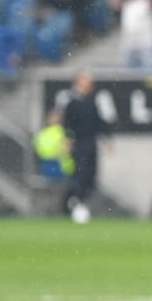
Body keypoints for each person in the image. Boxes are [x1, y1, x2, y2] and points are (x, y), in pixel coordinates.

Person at [63, 71, 113, 222]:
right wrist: (67, 140)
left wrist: (107, 140)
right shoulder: (72, 103)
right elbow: (68, 124)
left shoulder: (92, 102)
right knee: (80, 173)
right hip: (79, 143)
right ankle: (77, 202)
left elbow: (99, 123)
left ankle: (80, 201)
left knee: (92, 175)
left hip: (91, 143)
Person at [33, 107, 75, 180]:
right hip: (62, 167)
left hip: (46, 166)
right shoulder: (65, 133)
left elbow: (37, 149)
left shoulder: (41, 134)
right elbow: (67, 149)